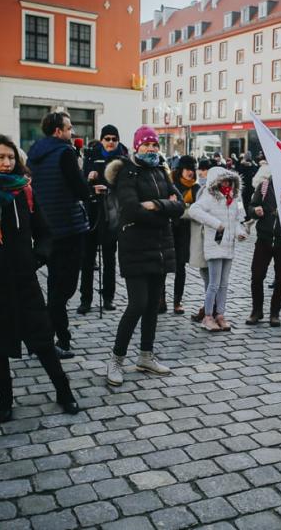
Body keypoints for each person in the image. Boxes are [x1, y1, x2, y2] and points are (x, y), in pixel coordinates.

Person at [0, 135, 79, 422]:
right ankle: (5, 400)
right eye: (1, 157)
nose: (7, 163)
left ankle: (64, 391)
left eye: (11, 158)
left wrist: (38, 257)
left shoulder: (26, 193)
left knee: (43, 341)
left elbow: (45, 232)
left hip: (23, 280)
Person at [104, 126, 183, 385]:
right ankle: (116, 360)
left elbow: (180, 205)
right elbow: (131, 209)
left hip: (160, 247)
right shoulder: (128, 171)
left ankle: (146, 356)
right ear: (136, 145)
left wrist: (157, 205)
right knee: (137, 304)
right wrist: (164, 209)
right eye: (146, 144)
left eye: (154, 144)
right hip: (135, 247)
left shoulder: (162, 170)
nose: (151, 148)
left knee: (152, 306)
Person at [26, 111, 90, 359]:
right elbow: (78, 188)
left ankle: (57, 337)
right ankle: (52, 338)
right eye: (69, 127)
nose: (72, 132)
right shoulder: (65, 152)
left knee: (55, 284)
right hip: (68, 226)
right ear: (58, 131)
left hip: (46, 226)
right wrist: (89, 188)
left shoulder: (35, 152)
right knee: (64, 289)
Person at [188, 167, 247, 332]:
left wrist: (240, 233)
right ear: (216, 181)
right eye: (223, 180)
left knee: (224, 284)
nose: (226, 183)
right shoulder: (209, 197)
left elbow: (236, 221)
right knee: (213, 284)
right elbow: (194, 210)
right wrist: (215, 224)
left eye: (229, 180)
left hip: (229, 246)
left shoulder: (233, 198)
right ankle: (208, 316)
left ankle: (220, 314)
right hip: (214, 245)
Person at [77, 124, 128, 314]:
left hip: (111, 213)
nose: (111, 142)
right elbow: (81, 183)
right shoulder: (91, 155)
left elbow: (125, 186)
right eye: (107, 139)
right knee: (88, 258)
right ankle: (86, 299)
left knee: (109, 258)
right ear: (101, 140)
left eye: (114, 139)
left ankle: (108, 297)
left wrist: (109, 188)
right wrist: (90, 182)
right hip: (92, 211)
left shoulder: (122, 158)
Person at [247, 171, 281, 327]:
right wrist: (255, 210)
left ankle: (275, 313)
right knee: (257, 276)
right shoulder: (265, 185)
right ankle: (256, 311)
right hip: (264, 238)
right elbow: (251, 206)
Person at [168, 155, 200, 314]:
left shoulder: (196, 188)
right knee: (163, 265)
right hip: (168, 229)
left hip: (185, 232)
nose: (190, 173)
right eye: (188, 169)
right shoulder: (171, 185)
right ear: (181, 170)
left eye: (193, 170)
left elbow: (197, 210)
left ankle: (177, 300)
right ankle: (160, 299)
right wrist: (184, 207)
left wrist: (179, 207)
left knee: (180, 266)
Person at [189, 158, 213, 323]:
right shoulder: (202, 187)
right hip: (202, 237)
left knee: (210, 278)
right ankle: (209, 307)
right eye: (200, 169)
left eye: (204, 170)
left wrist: (186, 210)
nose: (200, 173)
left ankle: (209, 309)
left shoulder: (211, 189)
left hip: (209, 236)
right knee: (207, 275)